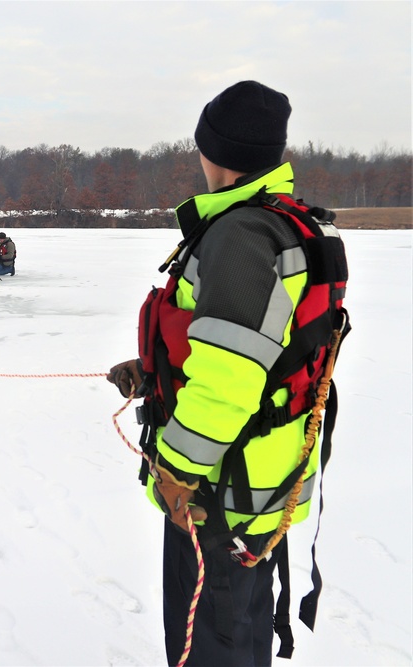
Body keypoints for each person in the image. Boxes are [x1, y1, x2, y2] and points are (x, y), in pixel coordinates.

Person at [106, 81, 349, 666]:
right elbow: (267, 351)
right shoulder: (286, 224)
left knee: (214, 646)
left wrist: (179, 471)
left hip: (216, 495)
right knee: (237, 631)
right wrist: (153, 369)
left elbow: (230, 380)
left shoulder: (240, 236)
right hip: (260, 481)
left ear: (215, 153)